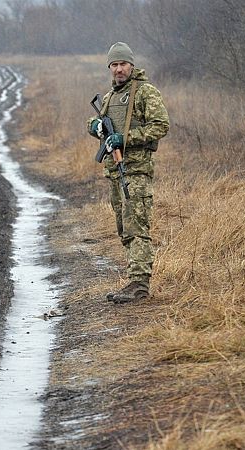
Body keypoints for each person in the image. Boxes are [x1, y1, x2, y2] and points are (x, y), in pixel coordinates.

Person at [87, 42, 169, 304]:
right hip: (115, 171)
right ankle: (134, 281)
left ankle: (139, 285)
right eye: (114, 65)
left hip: (135, 171)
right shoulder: (111, 97)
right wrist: (96, 126)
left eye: (123, 64)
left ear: (131, 65)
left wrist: (126, 138)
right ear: (110, 68)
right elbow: (96, 121)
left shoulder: (145, 92)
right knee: (124, 230)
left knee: (136, 229)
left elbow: (160, 126)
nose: (119, 69)